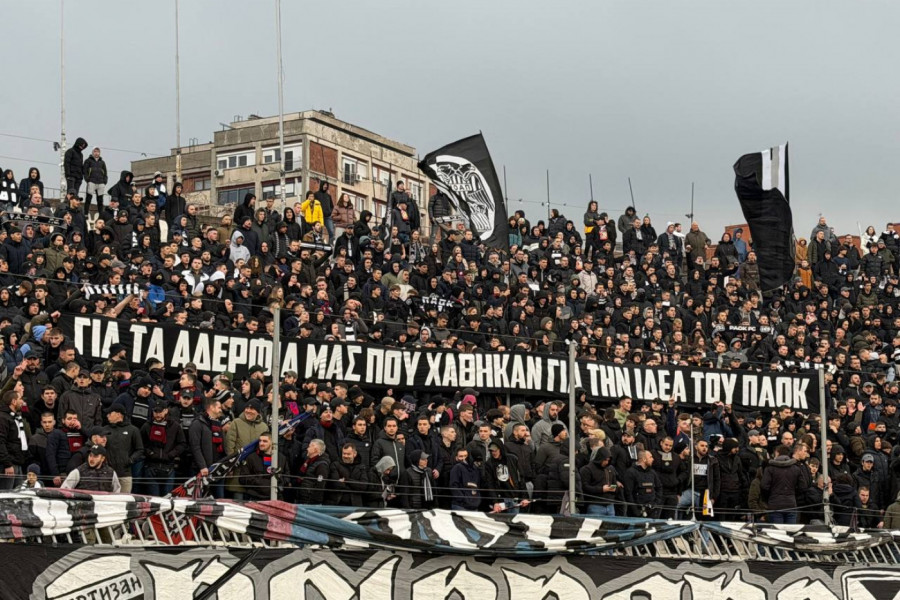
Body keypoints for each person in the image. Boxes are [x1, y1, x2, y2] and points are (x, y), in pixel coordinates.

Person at [140, 400, 186, 497]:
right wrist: (150, 453)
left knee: (167, 499)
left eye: (160, 412)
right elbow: (141, 445)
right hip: (151, 467)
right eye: (155, 412)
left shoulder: (175, 426)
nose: (158, 414)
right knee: (154, 499)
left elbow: (182, 444)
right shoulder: (147, 426)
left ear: (166, 411)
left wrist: (171, 454)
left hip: (169, 467)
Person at [189, 397, 226, 499]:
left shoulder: (218, 424)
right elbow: (195, 446)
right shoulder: (197, 423)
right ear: (211, 408)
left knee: (220, 500)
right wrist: (202, 466)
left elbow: (222, 446)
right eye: (219, 407)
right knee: (200, 500)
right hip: (202, 470)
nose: (220, 410)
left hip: (218, 470)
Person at [104, 404, 143, 493]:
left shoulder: (133, 430)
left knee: (124, 502)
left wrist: (130, 460)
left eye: (110, 413)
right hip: (107, 474)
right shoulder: (104, 430)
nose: (107, 415)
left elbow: (140, 449)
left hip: (125, 474)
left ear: (118, 414)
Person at [761, 444, 803, 524]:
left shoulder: (770, 468)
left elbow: (764, 486)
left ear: (777, 453)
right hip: (791, 504)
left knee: (778, 534)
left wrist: (769, 498)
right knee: (790, 533)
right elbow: (802, 486)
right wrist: (793, 495)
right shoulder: (796, 468)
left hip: (775, 504)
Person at [0, 390, 29, 490]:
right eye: (20, 399)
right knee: (6, 497)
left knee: (17, 498)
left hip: (17, 462)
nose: (22, 402)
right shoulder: (2, 418)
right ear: (13, 401)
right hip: (7, 465)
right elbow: (0, 442)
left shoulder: (14, 417)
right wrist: (7, 464)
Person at [83, 147, 108, 214]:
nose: (96, 153)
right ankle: (86, 213)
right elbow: (85, 171)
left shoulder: (102, 162)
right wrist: (87, 180)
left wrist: (104, 181)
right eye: (95, 151)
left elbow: (105, 172)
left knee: (100, 200)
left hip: (100, 183)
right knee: (88, 198)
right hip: (91, 182)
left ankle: (101, 215)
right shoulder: (88, 161)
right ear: (92, 152)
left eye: (98, 151)